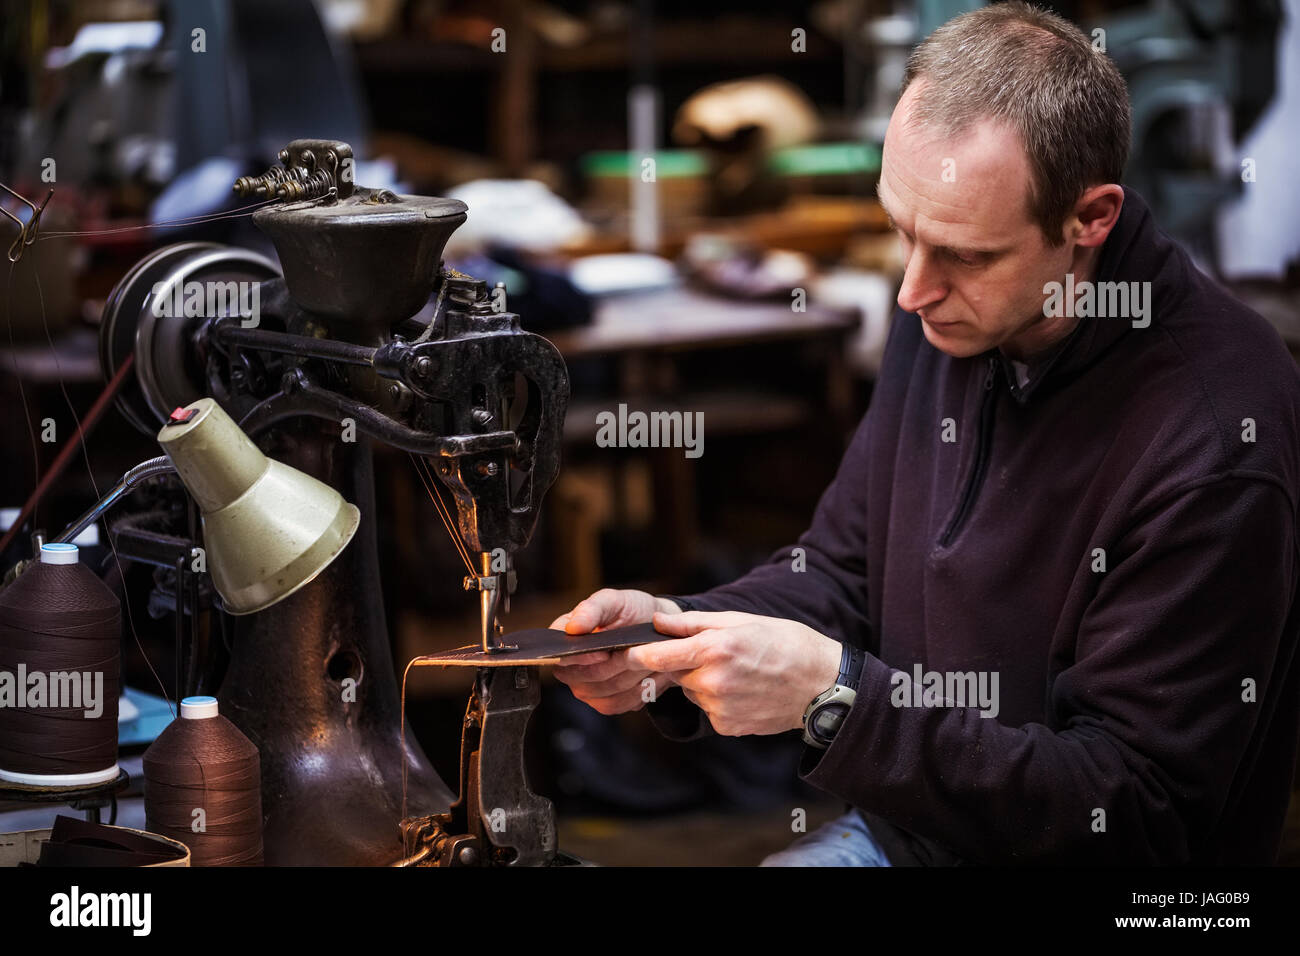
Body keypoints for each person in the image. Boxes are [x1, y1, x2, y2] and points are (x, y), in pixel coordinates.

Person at [553, 2, 1300, 865]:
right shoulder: (953, 313)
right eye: (900, 230)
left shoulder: (1214, 437)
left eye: (967, 254)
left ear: (1089, 219)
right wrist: (675, 635)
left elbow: (1137, 812)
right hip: (910, 839)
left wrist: (836, 702)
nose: (911, 291)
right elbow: (841, 568)